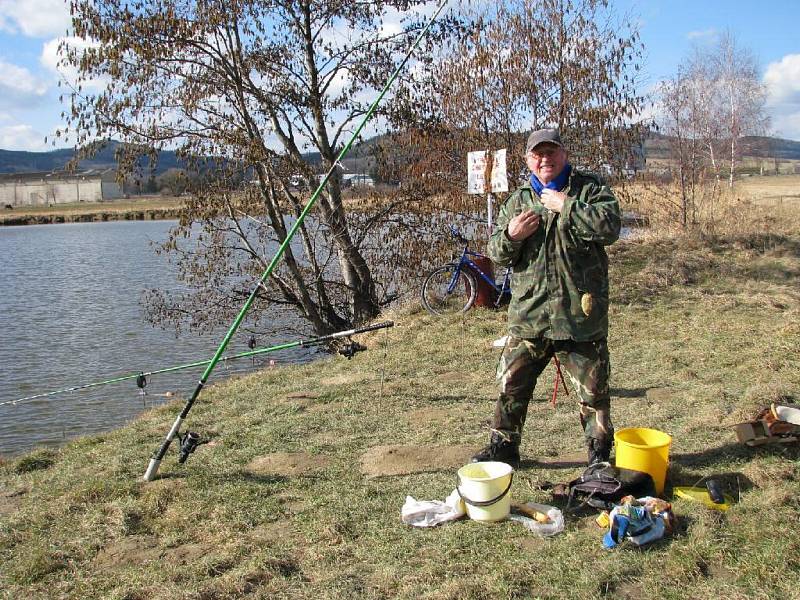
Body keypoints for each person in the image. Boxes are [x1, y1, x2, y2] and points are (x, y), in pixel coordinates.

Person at [471, 128, 621, 468]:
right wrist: (511, 235)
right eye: (537, 154)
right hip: (530, 313)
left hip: (579, 315)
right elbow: (496, 252)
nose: (544, 159)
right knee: (511, 384)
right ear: (528, 160)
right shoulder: (518, 201)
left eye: (551, 152)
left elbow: (610, 227)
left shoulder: (589, 190)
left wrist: (566, 206)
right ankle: (503, 447)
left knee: (594, 393)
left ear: (563, 154)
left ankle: (598, 457)